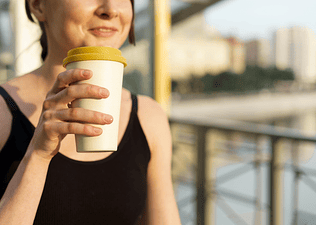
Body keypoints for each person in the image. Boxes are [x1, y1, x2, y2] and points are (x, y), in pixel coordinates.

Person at [0, 0, 182, 224]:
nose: (111, 9)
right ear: (38, 5)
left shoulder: (148, 116)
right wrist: (37, 156)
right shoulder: (3, 112)